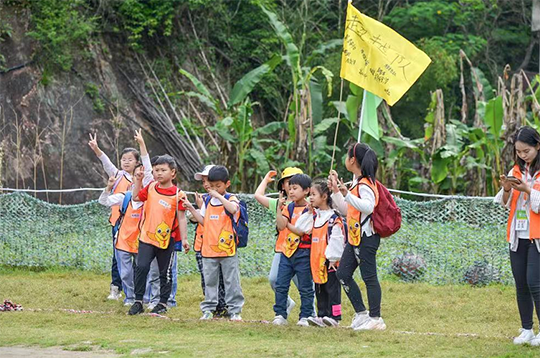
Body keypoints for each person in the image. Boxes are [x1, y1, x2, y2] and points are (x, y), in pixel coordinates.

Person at [328, 142, 386, 331]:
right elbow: (347, 210)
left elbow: (368, 207)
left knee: (369, 277)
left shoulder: (365, 184)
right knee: (343, 273)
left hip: (367, 237)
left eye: (347, 156)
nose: (345, 160)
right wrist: (338, 191)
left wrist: (347, 194)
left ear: (353, 160)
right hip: (355, 237)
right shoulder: (356, 183)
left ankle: (376, 318)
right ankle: (362, 314)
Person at [88, 130, 152, 300]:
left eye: (130, 159)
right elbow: (106, 163)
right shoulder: (117, 175)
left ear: (138, 162)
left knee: (141, 260)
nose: (126, 162)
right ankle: (117, 288)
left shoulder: (143, 179)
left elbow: (149, 167)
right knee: (119, 259)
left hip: (140, 224)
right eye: (123, 159)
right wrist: (96, 149)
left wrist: (142, 144)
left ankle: (141, 293)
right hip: (119, 223)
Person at [495, 126, 540, 346]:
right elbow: (503, 204)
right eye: (519, 152)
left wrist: (528, 190)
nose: (522, 156)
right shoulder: (516, 170)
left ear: (538, 146)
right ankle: (527, 329)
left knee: (535, 282)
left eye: (527, 151)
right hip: (518, 234)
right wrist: (506, 189)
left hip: (537, 237)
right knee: (521, 282)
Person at [128, 155, 189, 315]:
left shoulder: (179, 195)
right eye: (156, 170)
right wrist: (138, 181)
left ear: (173, 173)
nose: (159, 173)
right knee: (141, 268)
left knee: (165, 273)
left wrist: (184, 239)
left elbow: (182, 218)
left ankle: (162, 303)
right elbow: (135, 197)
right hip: (146, 237)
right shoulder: (150, 187)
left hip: (167, 240)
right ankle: (138, 301)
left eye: (163, 170)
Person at [183, 165, 244, 321]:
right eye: (213, 185)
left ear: (227, 184)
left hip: (227, 250)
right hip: (208, 250)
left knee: (231, 281)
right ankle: (208, 309)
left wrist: (219, 196)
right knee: (210, 281)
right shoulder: (208, 201)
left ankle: (235, 310)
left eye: (219, 186)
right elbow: (203, 221)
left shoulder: (231, 198)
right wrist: (192, 208)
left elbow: (233, 210)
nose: (215, 188)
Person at [294, 180, 345, 328]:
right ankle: (322, 315)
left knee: (332, 289)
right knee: (320, 290)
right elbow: (300, 227)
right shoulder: (315, 216)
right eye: (310, 195)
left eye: (314, 195)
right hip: (316, 262)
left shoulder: (333, 218)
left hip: (329, 263)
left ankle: (335, 316)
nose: (310, 198)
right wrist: (309, 212)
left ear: (324, 197)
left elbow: (336, 239)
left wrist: (332, 257)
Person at [254, 168, 304, 315]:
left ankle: (310, 312)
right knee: (274, 280)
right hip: (282, 250)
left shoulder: (308, 205)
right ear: (282, 186)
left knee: (304, 285)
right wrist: (265, 180)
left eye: (296, 183)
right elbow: (258, 195)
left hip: (301, 250)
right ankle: (287, 304)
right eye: (288, 182)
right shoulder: (278, 203)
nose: (291, 186)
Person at [272, 173, 314, 327]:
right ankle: (280, 314)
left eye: (295, 188)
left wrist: (289, 224)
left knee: (305, 287)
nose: (291, 192)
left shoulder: (310, 209)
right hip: (287, 252)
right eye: (290, 189)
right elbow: (281, 226)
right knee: (281, 284)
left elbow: (301, 231)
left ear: (306, 191)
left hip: (304, 252)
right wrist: (279, 208)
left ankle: (306, 315)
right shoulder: (289, 207)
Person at [191, 165, 228, 317]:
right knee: (207, 278)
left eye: (209, 180)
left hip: (220, 245)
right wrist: (196, 209)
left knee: (224, 277)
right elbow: (195, 219)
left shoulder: (224, 199)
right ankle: (212, 308)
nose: (206, 184)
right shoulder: (204, 199)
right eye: (204, 181)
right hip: (202, 245)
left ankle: (224, 306)